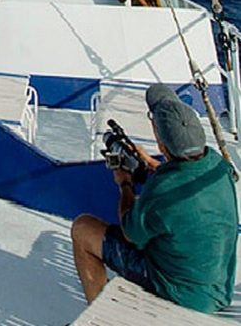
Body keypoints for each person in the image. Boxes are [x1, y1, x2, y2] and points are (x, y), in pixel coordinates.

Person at [70, 84, 237, 313]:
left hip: (179, 294)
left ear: (161, 144)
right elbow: (185, 184)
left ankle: (98, 317)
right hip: (217, 288)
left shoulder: (163, 190)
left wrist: (125, 183)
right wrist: (153, 164)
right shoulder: (217, 165)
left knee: (83, 229)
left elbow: (130, 234)